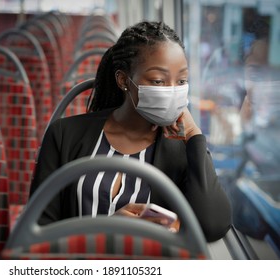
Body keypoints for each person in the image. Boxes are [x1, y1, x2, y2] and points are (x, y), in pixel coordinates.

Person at [30, 21, 231, 242]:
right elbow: (37, 231)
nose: (173, 91)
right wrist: (104, 235)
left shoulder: (181, 150)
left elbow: (213, 226)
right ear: (124, 80)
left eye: (181, 81)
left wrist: (194, 136)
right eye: (158, 81)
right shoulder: (64, 135)